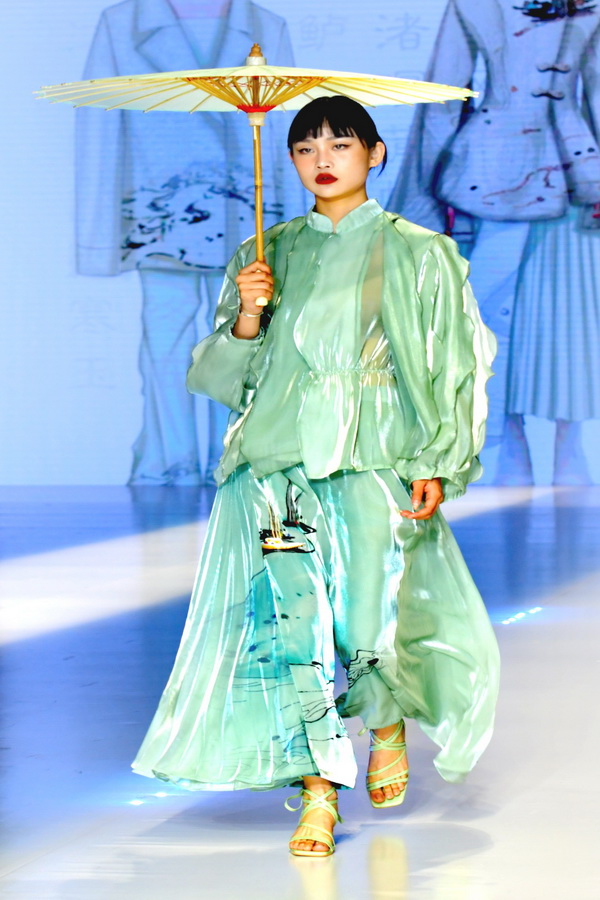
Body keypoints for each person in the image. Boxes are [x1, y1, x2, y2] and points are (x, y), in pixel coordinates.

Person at [132, 96, 501, 857]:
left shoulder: (418, 251)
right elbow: (223, 379)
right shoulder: (265, 254)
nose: (322, 159)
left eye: (340, 143)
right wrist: (247, 315)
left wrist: (439, 459)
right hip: (275, 459)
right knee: (291, 628)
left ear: (375, 153)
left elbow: (453, 361)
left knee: (367, 620)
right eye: (305, 148)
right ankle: (319, 793)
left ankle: (386, 720)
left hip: (372, 456)